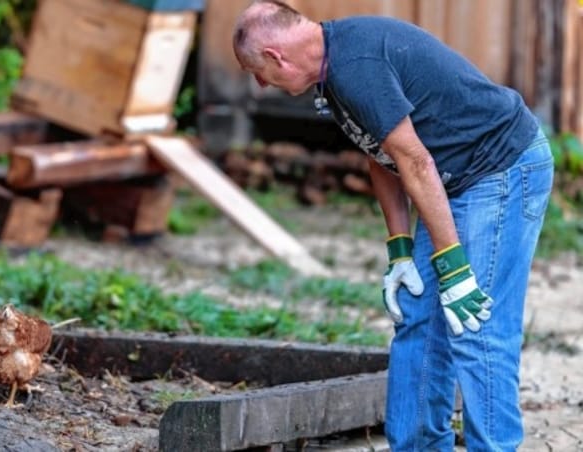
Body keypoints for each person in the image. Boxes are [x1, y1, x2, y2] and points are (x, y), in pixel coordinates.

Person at [232, 1, 554, 451]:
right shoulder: (331, 71)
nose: (261, 84)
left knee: (474, 321)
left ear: (275, 56)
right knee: (418, 313)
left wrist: (456, 270)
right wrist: (401, 251)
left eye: (258, 71)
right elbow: (381, 155)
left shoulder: (354, 64)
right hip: (452, 181)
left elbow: (414, 161)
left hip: (500, 168)